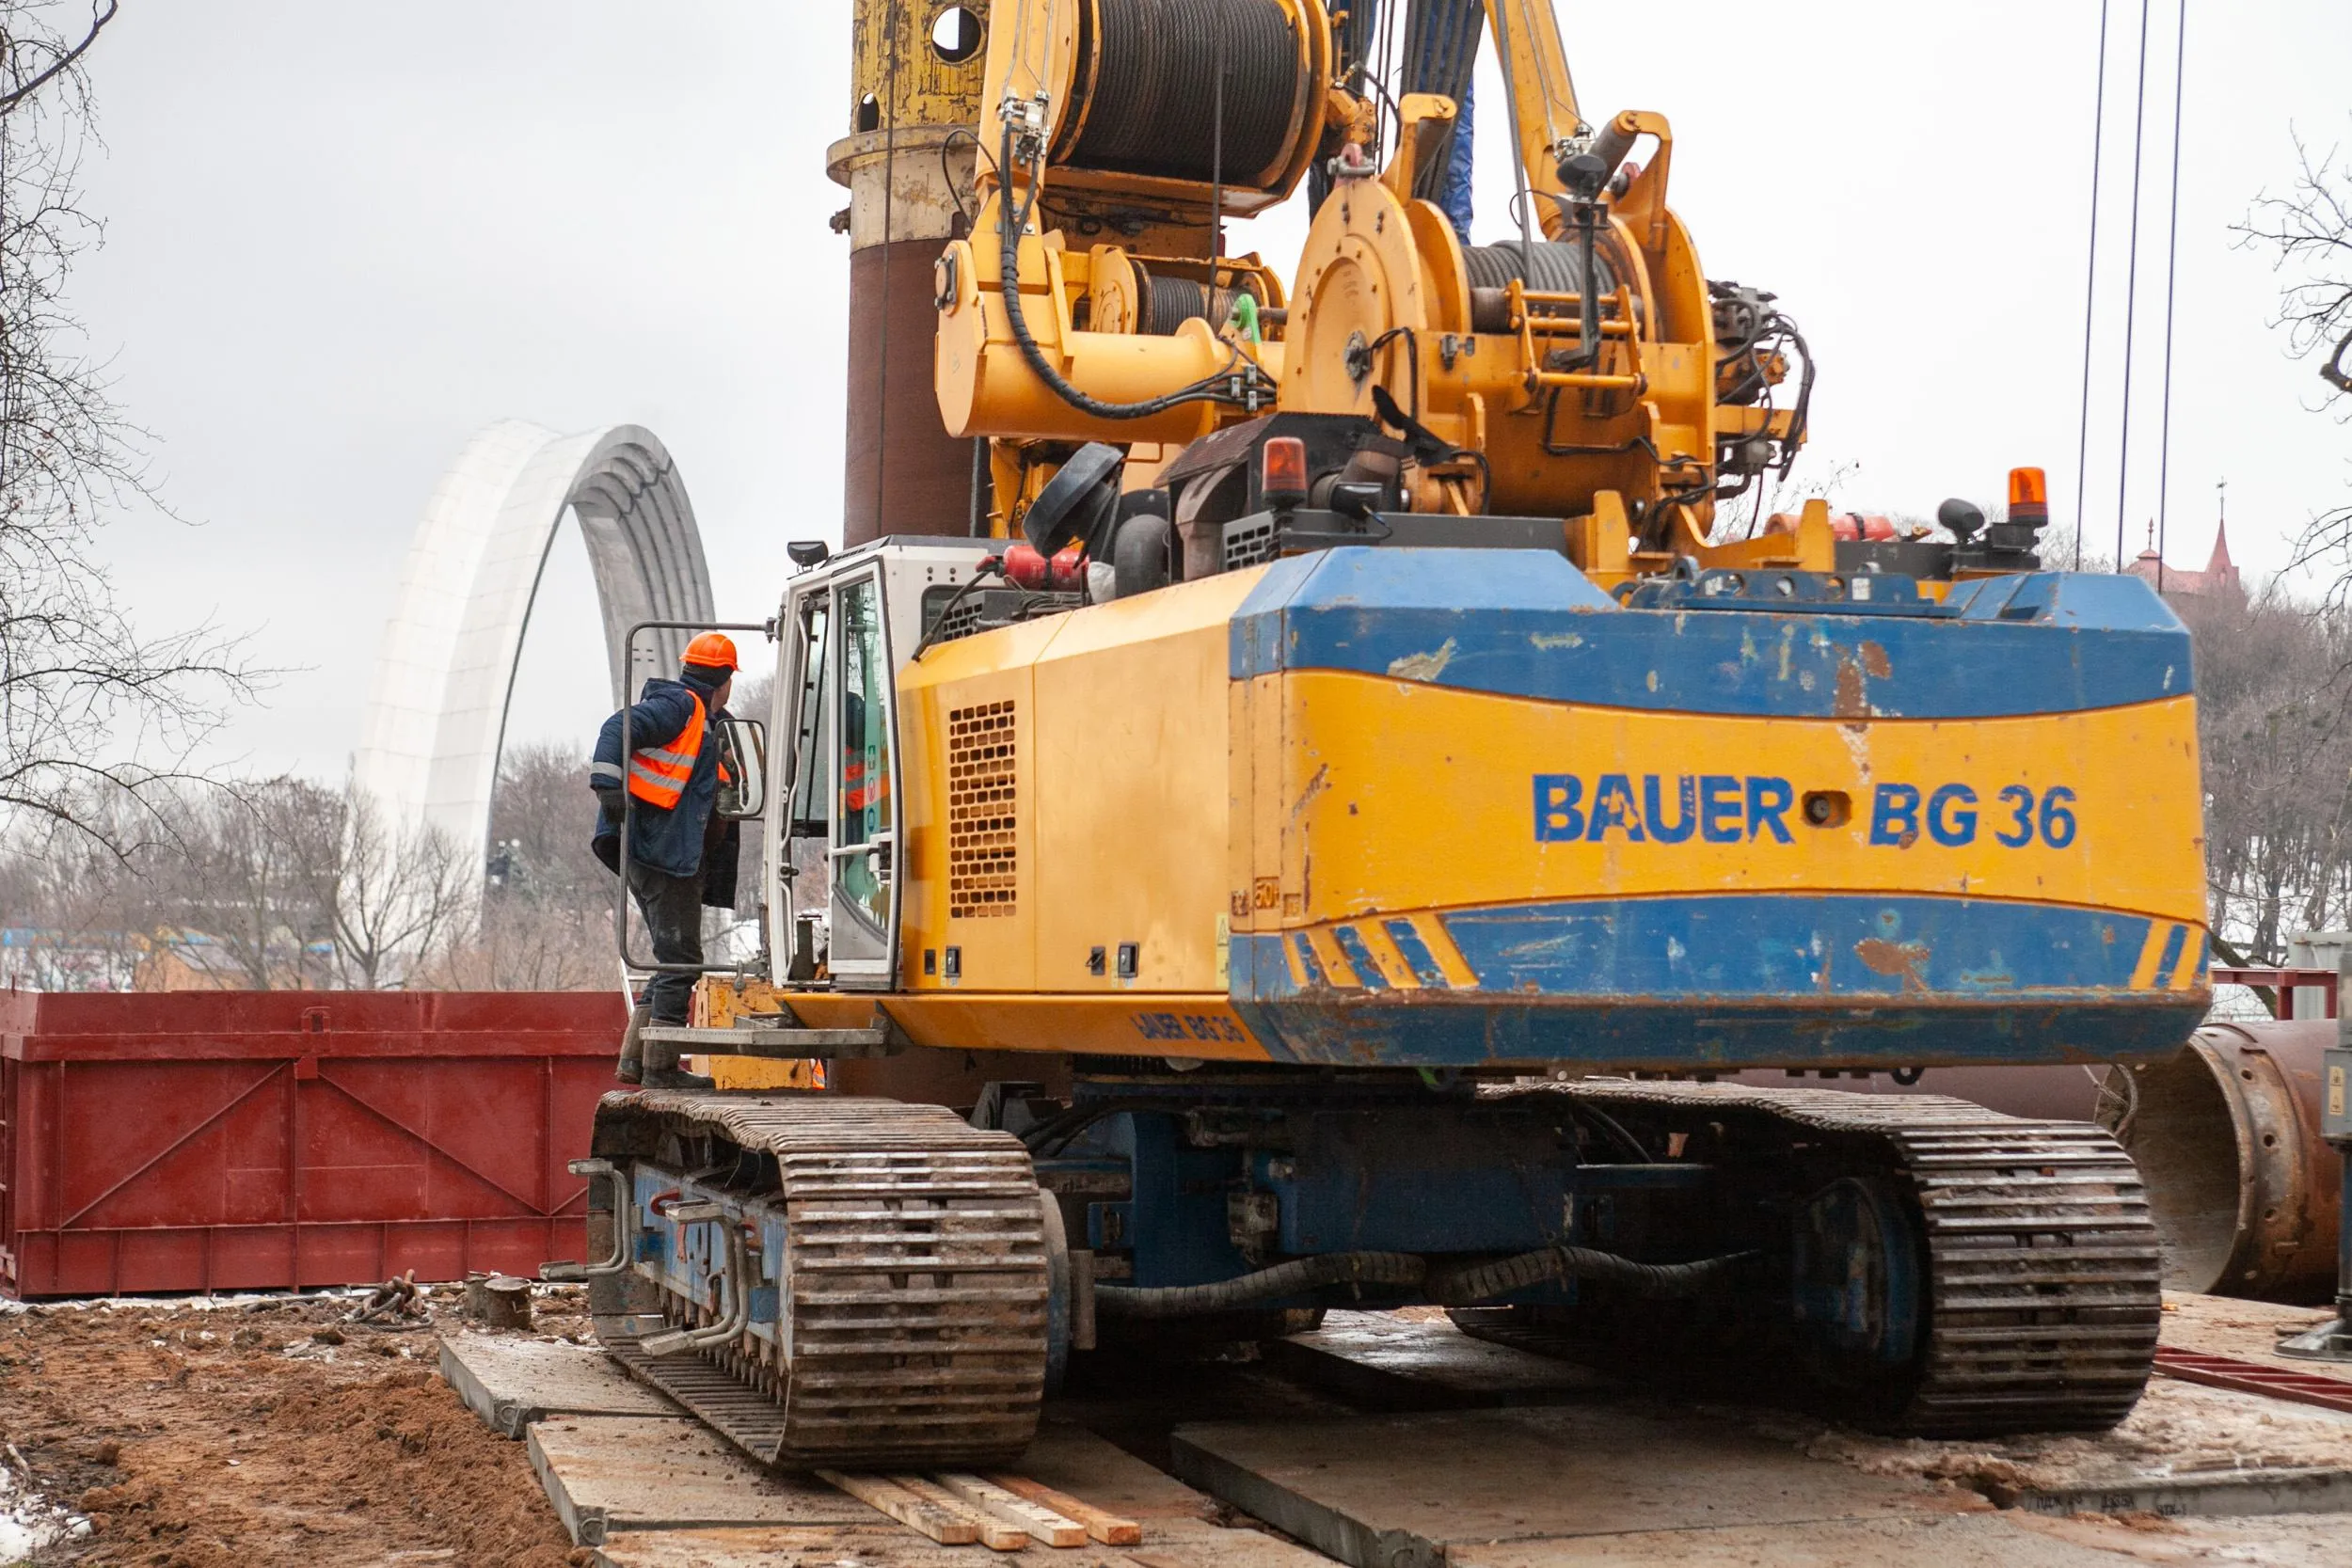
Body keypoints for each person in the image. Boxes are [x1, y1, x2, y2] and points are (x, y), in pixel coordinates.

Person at [590, 631, 744, 1087]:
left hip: (660, 851)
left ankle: (635, 1059)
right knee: (681, 961)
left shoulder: (709, 722)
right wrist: (608, 787)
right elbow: (617, 728)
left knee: (670, 958)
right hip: (660, 852)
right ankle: (661, 1068)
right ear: (725, 679)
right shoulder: (680, 708)